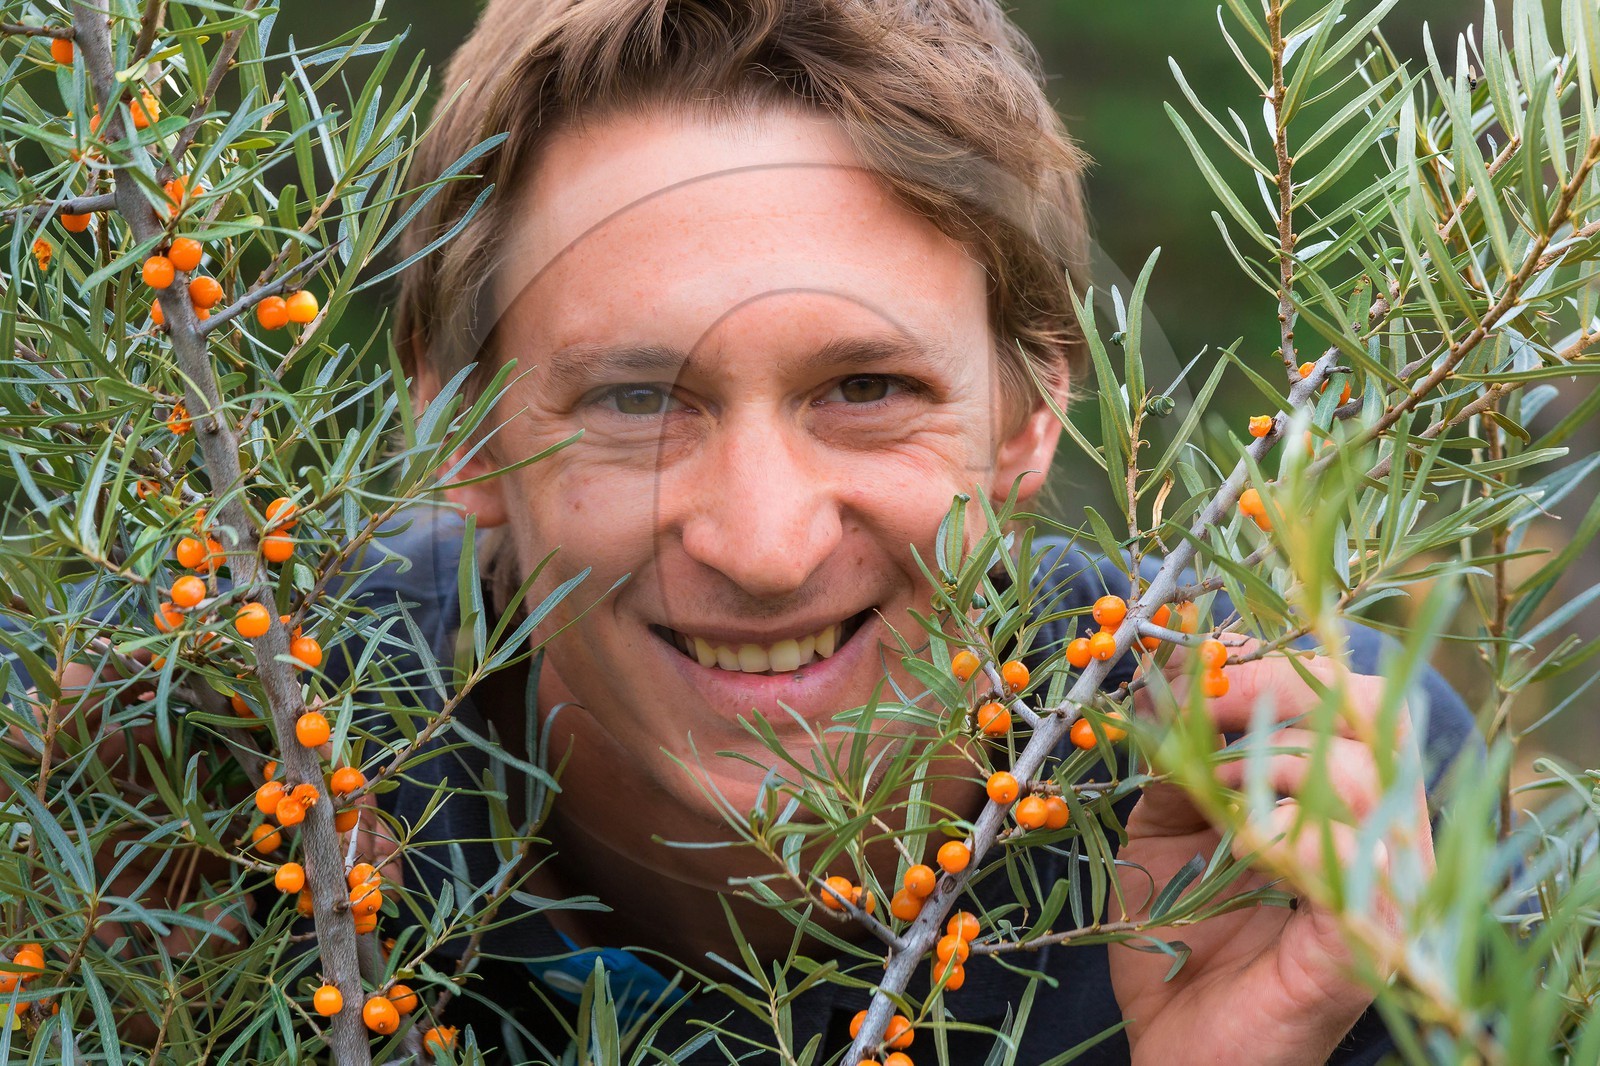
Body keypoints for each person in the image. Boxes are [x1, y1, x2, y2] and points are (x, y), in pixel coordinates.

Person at [0, 0, 1482, 1062]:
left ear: (1034, 416)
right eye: (639, 396)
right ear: (458, 433)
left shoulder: (1305, 806)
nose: (763, 542)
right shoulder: (187, 788)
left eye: (867, 386)